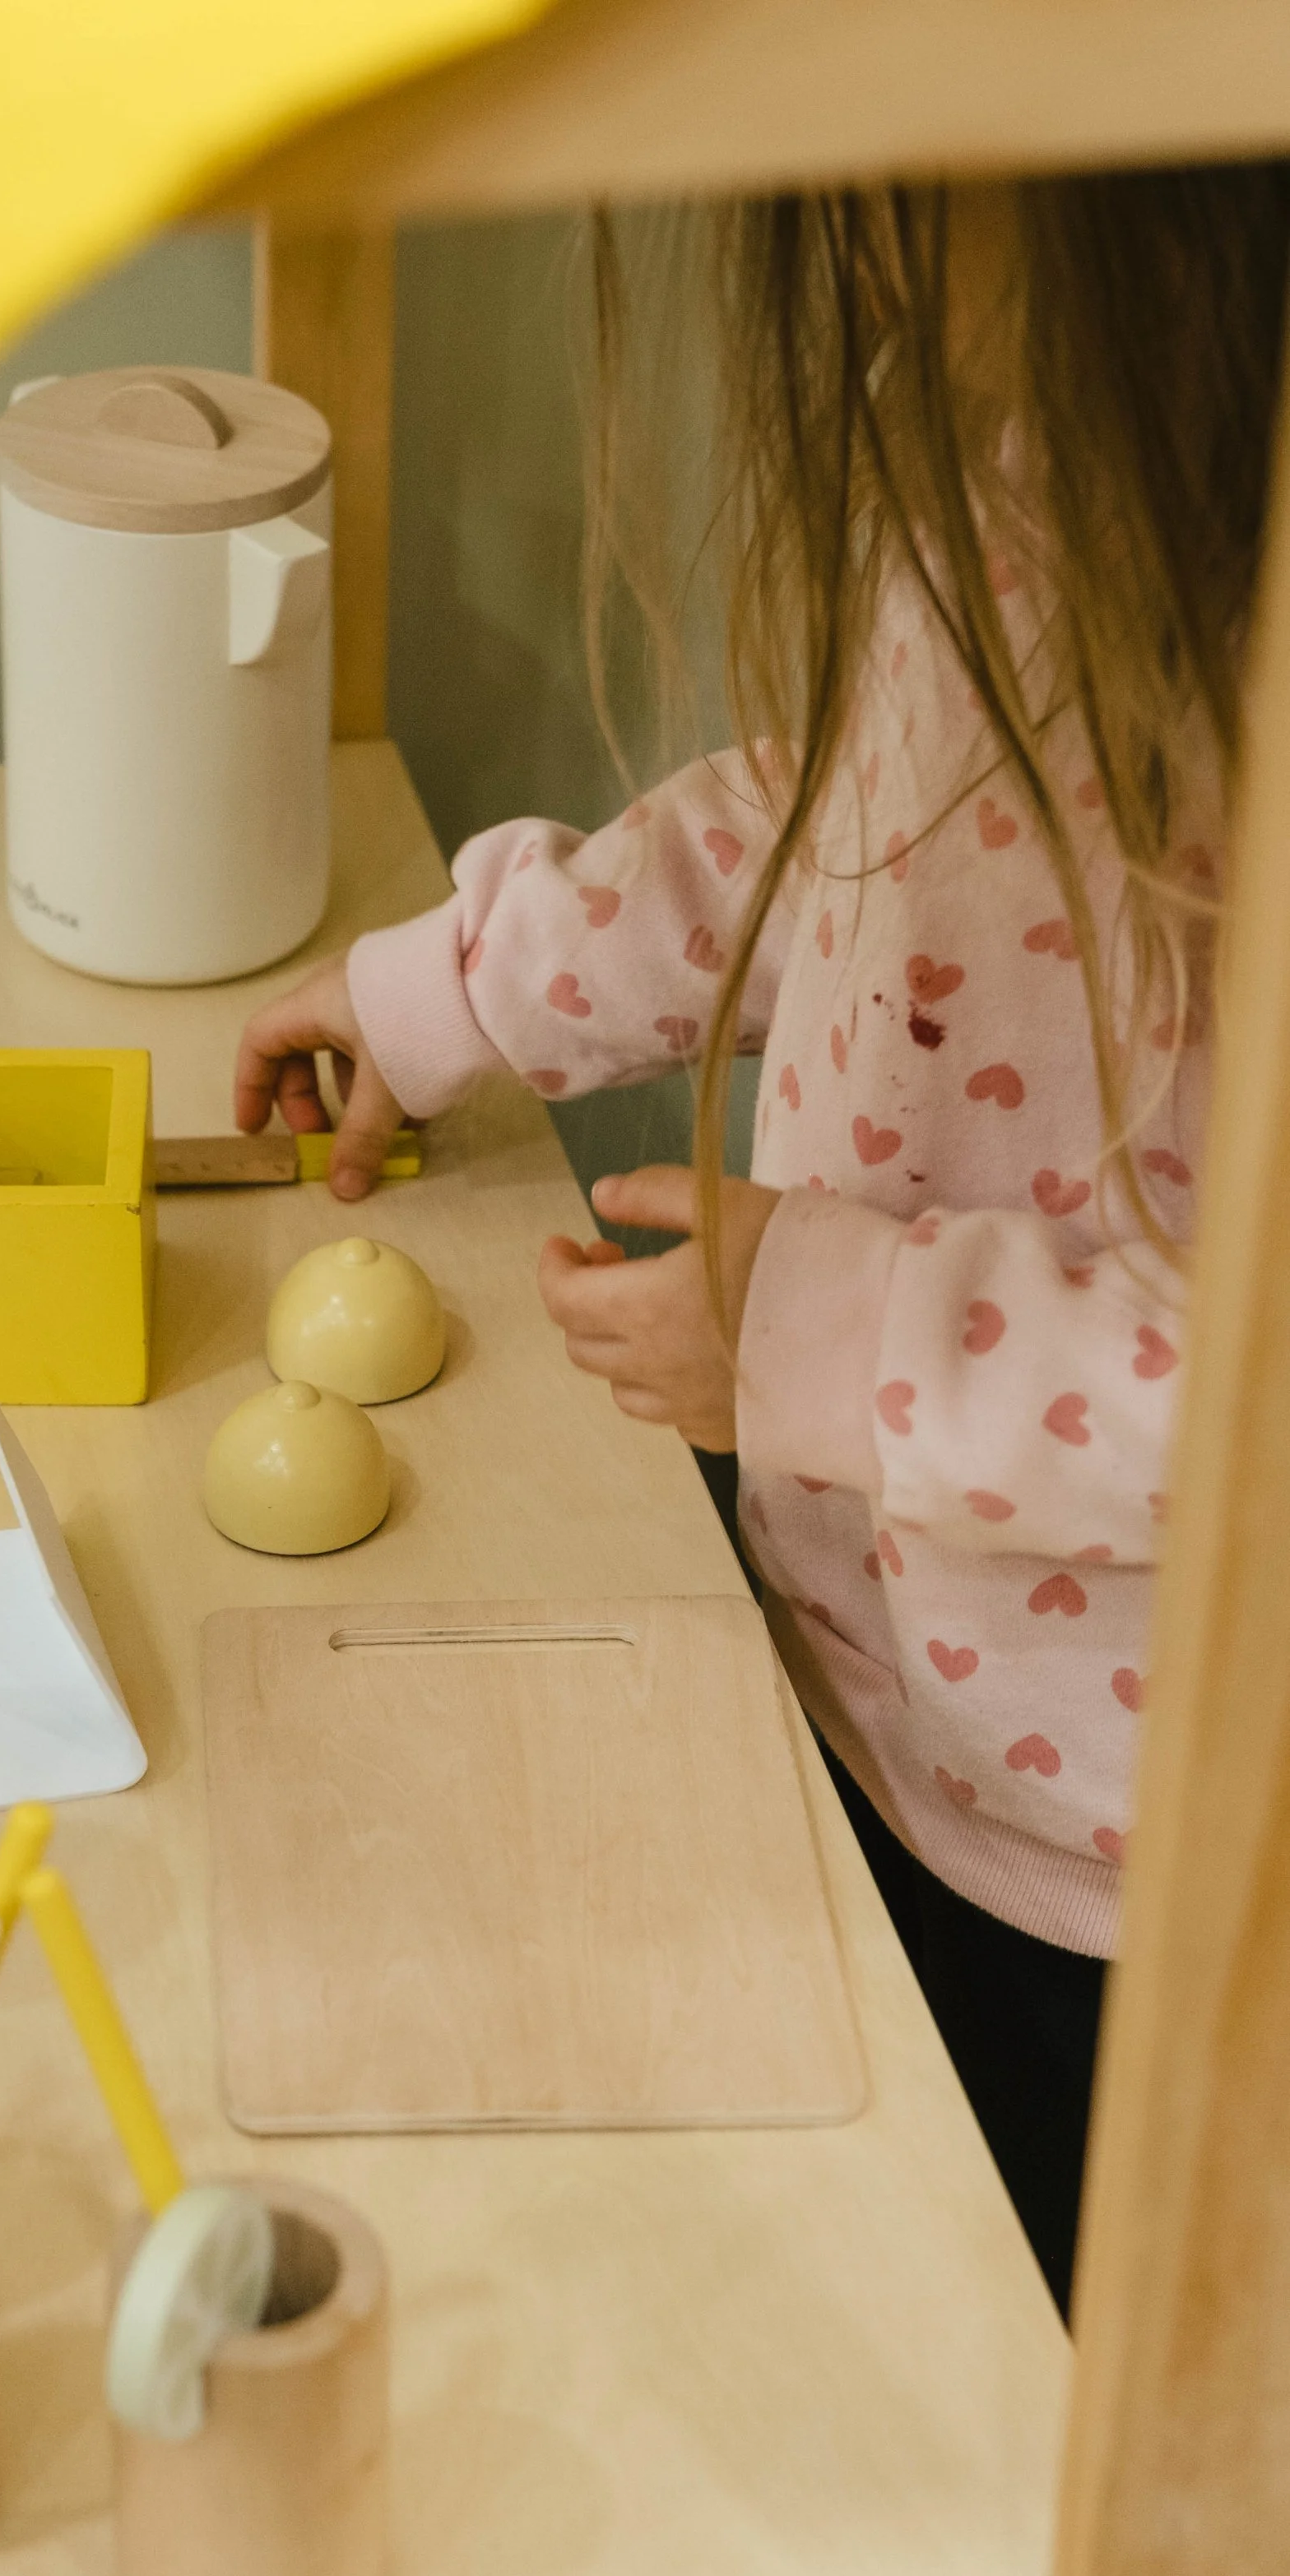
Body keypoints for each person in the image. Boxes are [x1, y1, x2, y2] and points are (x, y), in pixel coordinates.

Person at [232, 174, 1290, 2319]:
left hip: (1127, 1843)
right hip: (873, 1658)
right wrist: (459, 991)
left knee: (1031, 2368)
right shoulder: (993, 434)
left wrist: (826, 1340)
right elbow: (834, 811)